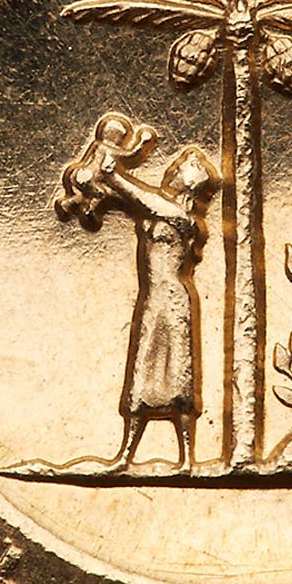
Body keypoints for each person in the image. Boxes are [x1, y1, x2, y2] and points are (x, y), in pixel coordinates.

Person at [63, 142, 219, 472]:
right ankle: (126, 455)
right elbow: (121, 196)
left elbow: (133, 194)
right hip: (153, 300)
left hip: (172, 300)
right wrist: (91, 187)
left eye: (179, 170)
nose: (172, 170)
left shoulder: (177, 215)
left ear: (189, 185)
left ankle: (187, 459)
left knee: (179, 375)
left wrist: (111, 172)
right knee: (141, 374)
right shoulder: (157, 208)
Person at [54, 112, 157, 227]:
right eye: (123, 137)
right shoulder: (110, 150)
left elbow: (85, 160)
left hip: (81, 174)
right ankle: (88, 210)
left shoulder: (97, 145)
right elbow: (131, 155)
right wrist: (143, 141)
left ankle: (69, 202)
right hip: (91, 179)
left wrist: (73, 175)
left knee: (88, 194)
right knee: (100, 194)